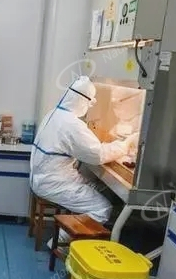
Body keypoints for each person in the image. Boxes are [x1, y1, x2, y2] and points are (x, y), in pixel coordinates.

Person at [30, 76, 138, 248]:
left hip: (46, 177)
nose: (90, 107)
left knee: (100, 187)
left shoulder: (55, 113)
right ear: (82, 100)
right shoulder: (71, 124)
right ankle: (58, 243)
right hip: (53, 183)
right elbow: (97, 155)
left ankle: (78, 232)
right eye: (89, 102)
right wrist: (125, 144)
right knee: (102, 208)